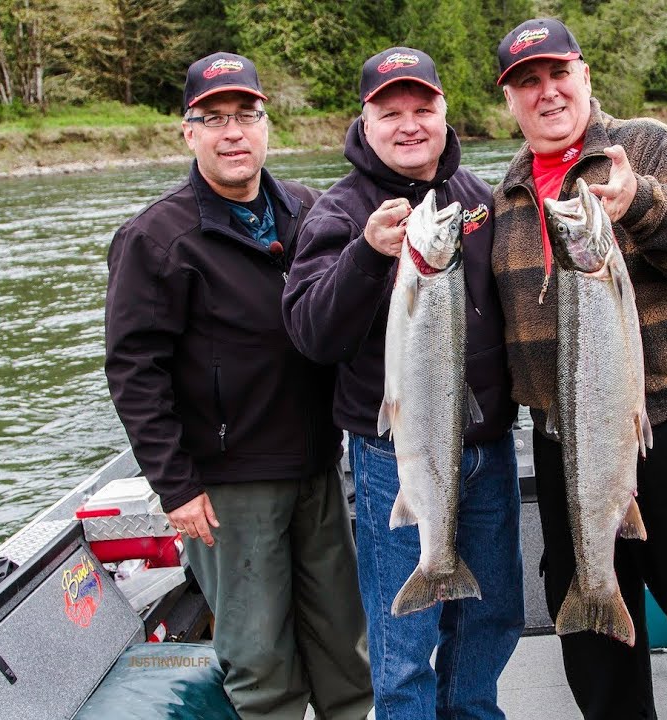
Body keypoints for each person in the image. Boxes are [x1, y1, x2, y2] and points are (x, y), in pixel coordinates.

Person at [490, 18, 667, 720]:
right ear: (510, 100)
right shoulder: (505, 195)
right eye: (527, 82)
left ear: (584, 75)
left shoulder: (646, 146)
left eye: (558, 73)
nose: (547, 92)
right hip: (563, 440)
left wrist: (641, 201)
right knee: (593, 640)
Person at [103, 51, 373, 720]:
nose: (233, 133)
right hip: (228, 486)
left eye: (246, 115)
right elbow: (134, 371)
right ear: (188, 132)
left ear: (266, 125)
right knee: (260, 664)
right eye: (214, 118)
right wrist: (176, 486)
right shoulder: (155, 239)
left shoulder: (308, 210)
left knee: (347, 651)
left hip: (318, 467)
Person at [281, 47, 524, 719]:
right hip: (397, 457)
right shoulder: (338, 213)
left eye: (423, 108)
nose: (410, 125)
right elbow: (311, 334)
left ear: (445, 113)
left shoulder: (479, 199)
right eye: (391, 113)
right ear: (366, 121)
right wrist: (366, 254)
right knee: (403, 646)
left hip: (489, 450)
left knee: (491, 619)